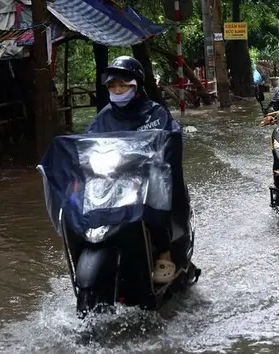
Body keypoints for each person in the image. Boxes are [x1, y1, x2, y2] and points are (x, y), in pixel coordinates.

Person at [85, 55, 189, 284]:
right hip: (114, 177)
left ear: (136, 85)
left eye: (123, 85)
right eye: (113, 85)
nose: (117, 90)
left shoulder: (155, 113)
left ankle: (163, 250)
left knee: (158, 182)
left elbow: (170, 138)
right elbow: (87, 144)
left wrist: (159, 154)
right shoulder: (103, 118)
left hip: (145, 178)